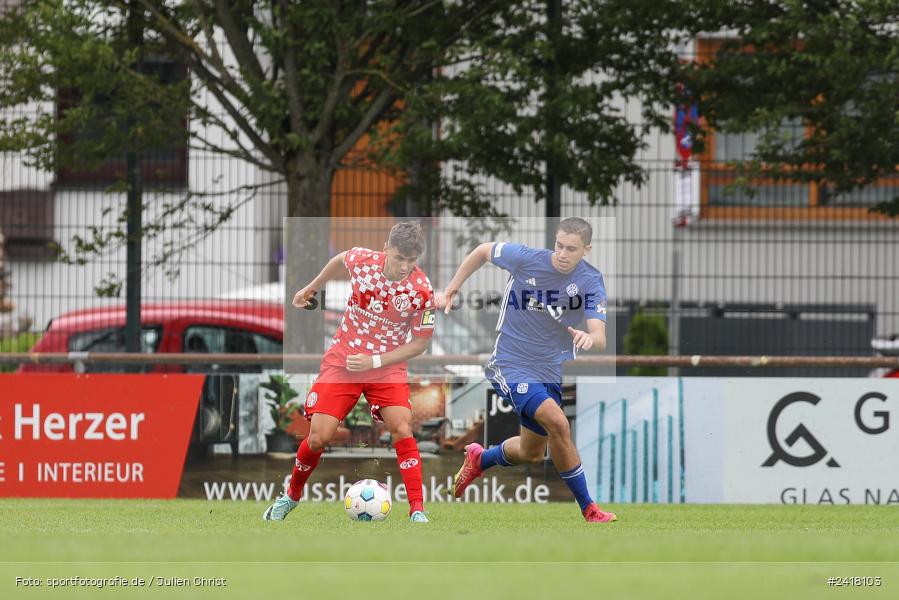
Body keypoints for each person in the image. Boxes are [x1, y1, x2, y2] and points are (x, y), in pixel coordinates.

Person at [439, 217, 617, 523]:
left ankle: (480, 458)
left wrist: (591, 337)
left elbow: (599, 336)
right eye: (559, 245)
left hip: (549, 369)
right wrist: (451, 289)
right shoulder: (527, 258)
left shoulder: (591, 281)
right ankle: (590, 509)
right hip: (512, 362)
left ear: (586, 250)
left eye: (571, 249)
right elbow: (483, 250)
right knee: (559, 424)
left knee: (531, 452)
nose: (562, 253)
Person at [263, 222, 436, 523]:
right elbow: (340, 258)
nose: (404, 267)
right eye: (399, 258)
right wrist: (312, 286)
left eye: (411, 261)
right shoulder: (363, 262)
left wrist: (376, 362)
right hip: (343, 361)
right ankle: (290, 496)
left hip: (387, 367)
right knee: (319, 438)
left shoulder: (421, 291)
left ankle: (417, 510)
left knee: (402, 428)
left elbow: (419, 344)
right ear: (386, 248)